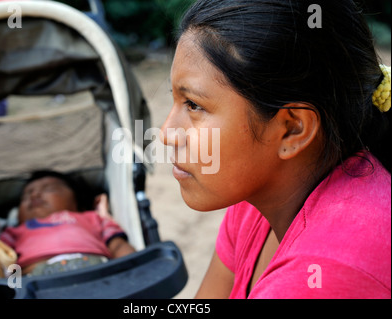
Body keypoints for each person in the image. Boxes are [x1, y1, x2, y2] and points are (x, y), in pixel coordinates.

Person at [161, 0, 391, 299]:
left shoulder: (325, 275)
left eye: (194, 105)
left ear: (293, 129)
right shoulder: (259, 195)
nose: (167, 133)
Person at [0, 170, 136, 278]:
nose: (34, 195)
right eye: (26, 195)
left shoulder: (92, 217)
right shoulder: (15, 230)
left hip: (96, 268)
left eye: (49, 189)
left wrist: (136, 269)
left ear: (77, 202)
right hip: (37, 278)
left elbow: (117, 245)